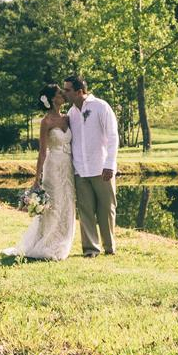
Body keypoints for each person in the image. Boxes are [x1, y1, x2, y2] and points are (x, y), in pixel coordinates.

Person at [3, 84, 76, 261]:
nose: (63, 95)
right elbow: (42, 152)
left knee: (67, 203)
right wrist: (37, 179)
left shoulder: (68, 118)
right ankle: (47, 242)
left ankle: (63, 239)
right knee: (55, 204)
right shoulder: (46, 122)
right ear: (52, 99)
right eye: (60, 93)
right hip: (52, 166)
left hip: (68, 167)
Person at [64, 75, 118, 256]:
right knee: (86, 211)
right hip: (80, 169)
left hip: (101, 168)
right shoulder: (71, 113)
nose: (65, 93)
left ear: (79, 92)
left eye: (68, 90)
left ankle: (109, 247)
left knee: (106, 209)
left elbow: (113, 136)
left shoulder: (101, 106)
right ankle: (90, 249)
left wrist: (110, 164)